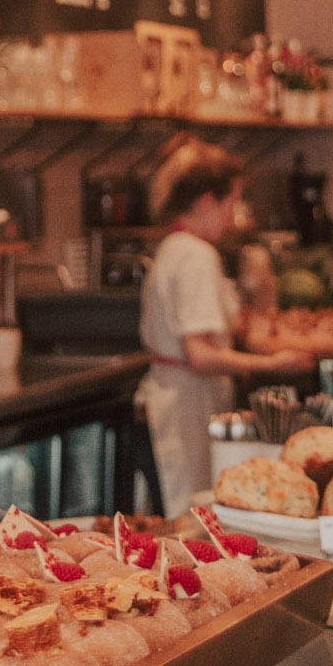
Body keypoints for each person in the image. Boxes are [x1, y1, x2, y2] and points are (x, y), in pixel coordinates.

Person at [139, 142, 309, 516]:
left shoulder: (177, 246)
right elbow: (199, 355)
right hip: (187, 403)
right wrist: (276, 364)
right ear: (204, 202)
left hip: (180, 397)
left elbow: (228, 328)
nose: (234, 216)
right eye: (231, 201)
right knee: (192, 514)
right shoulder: (196, 254)